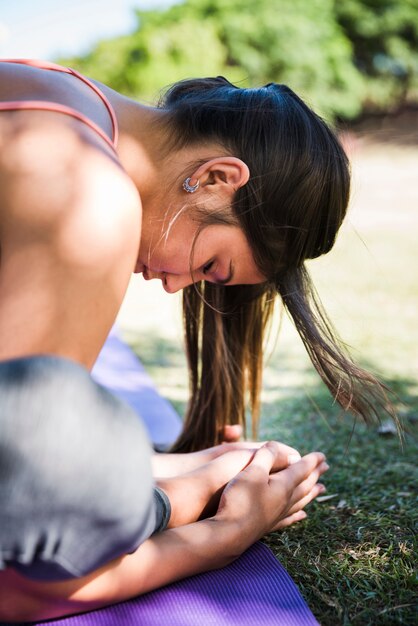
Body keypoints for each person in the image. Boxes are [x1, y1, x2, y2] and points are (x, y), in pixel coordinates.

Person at [0, 59, 388, 622]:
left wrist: (189, 468)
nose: (175, 285)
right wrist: (227, 532)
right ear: (216, 176)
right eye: (211, 265)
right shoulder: (90, 199)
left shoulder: (48, 85)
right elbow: (31, 574)